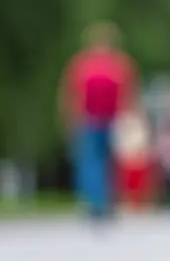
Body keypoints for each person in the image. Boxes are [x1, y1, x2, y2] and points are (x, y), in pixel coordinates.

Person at [58, 21, 139, 220]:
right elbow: (129, 95)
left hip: (92, 120)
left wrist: (68, 118)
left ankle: (95, 201)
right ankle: (103, 201)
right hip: (106, 120)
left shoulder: (82, 64)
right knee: (106, 161)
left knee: (93, 161)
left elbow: (70, 93)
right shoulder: (120, 64)